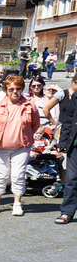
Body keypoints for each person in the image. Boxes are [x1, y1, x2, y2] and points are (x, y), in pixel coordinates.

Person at [0, 75, 39, 215]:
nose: (15, 91)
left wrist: (24, 135)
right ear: (6, 90)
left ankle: (17, 203)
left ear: (22, 89)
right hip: (0, 147)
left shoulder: (30, 105)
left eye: (18, 88)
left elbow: (35, 124)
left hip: (21, 147)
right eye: (11, 89)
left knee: (18, 175)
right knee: (1, 174)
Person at [44, 77, 77, 223]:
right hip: (73, 141)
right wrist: (55, 125)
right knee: (72, 178)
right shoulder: (66, 95)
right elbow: (47, 109)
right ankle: (67, 212)